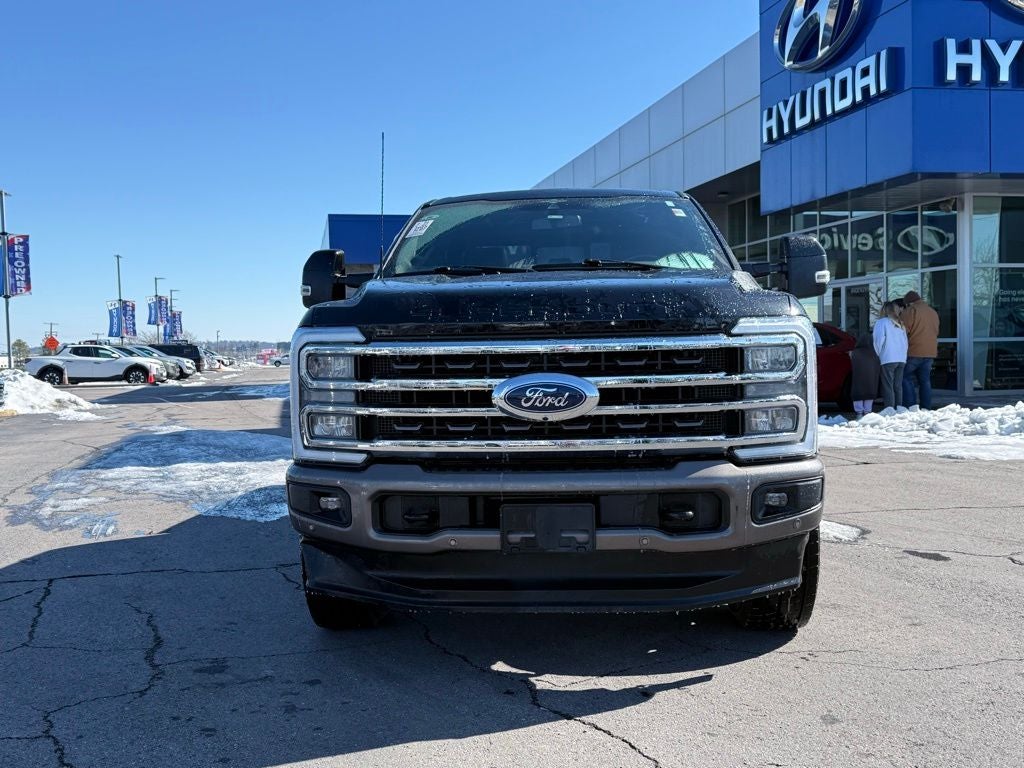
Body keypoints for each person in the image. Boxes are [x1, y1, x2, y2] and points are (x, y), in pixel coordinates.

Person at [901, 290, 941, 409]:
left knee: (904, 377)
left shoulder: (911, 311)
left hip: (914, 350)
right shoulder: (933, 312)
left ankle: (911, 406)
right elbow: (936, 331)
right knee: (925, 381)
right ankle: (926, 407)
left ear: (909, 303)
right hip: (930, 352)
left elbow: (902, 331)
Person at [873, 301, 908, 410]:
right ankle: (899, 409)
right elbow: (906, 342)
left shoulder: (882, 322)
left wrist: (878, 354)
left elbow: (878, 340)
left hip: (888, 358)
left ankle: (889, 410)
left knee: (888, 386)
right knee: (898, 386)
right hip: (901, 358)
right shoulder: (901, 324)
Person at [849, 333, 881, 417]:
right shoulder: (874, 353)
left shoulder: (854, 352)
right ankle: (867, 412)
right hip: (871, 380)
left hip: (858, 379)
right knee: (869, 394)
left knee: (858, 393)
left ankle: (859, 412)